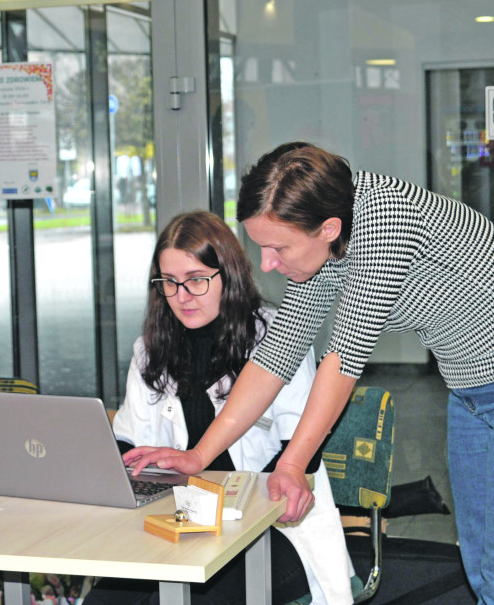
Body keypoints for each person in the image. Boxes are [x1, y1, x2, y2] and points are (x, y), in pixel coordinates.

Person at [128, 143, 494, 603]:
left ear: (329, 228)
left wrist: (292, 465)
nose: (267, 263)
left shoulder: (385, 222)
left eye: (276, 248)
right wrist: (200, 454)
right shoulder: (327, 232)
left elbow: (342, 359)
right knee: (481, 571)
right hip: (471, 392)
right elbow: (278, 352)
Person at [84, 211, 353, 605]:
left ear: (228, 275)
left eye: (196, 280)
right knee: (104, 601)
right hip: (178, 523)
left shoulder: (279, 336)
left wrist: (225, 507)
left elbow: (299, 454)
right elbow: (129, 440)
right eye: (169, 283)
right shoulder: (150, 350)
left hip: (270, 533)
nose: (182, 296)